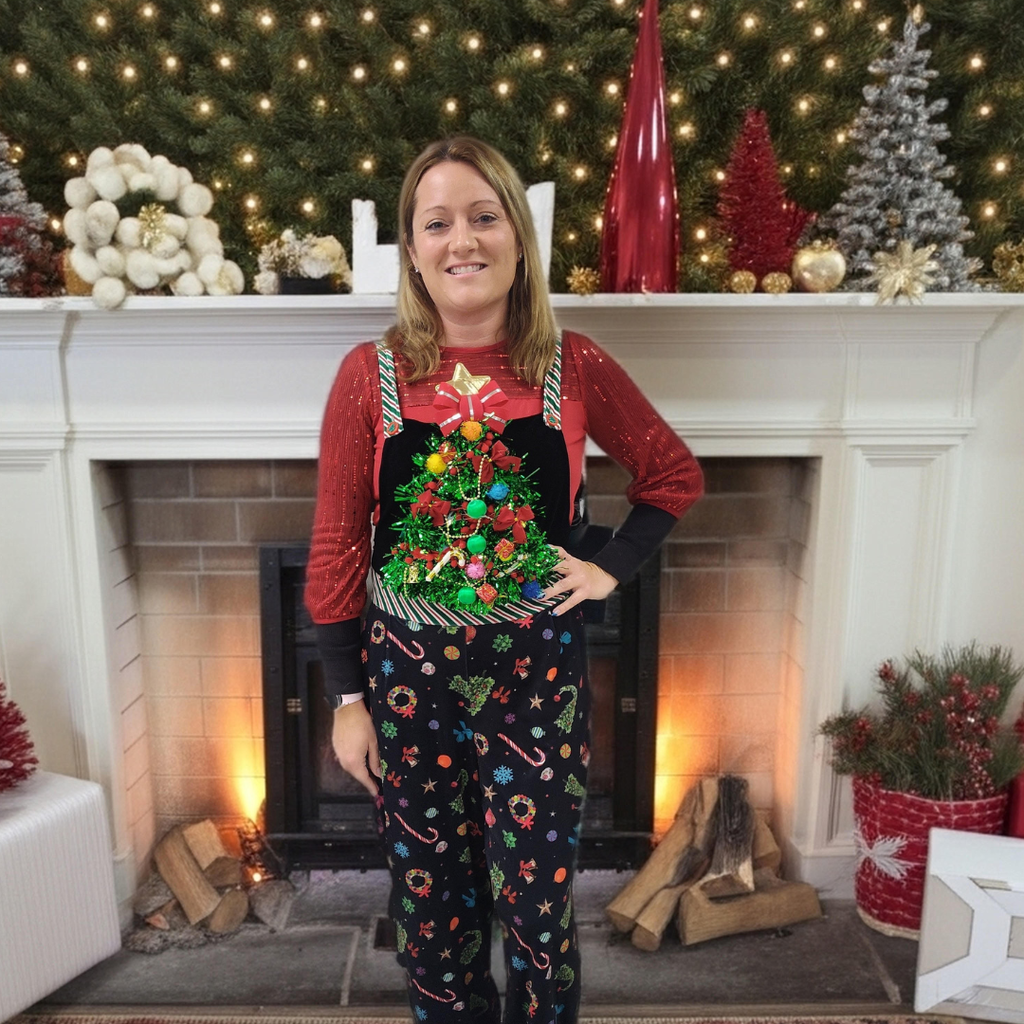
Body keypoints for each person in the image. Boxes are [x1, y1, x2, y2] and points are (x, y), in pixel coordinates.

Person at [305, 136, 702, 1024]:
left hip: (537, 682)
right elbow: (335, 547)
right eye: (437, 222)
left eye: (484, 218)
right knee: (432, 902)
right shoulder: (366, 379)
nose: (462, 241)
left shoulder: (577, 365)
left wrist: (607, 568)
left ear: (519, 241)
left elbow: (672, 476)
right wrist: (345, 698)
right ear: (413, 249)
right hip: (405, 687)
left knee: (537, 904)